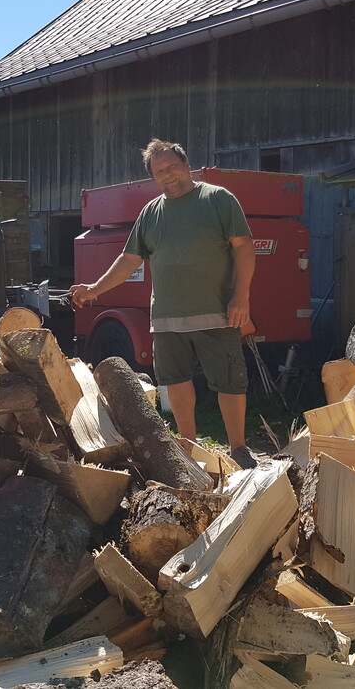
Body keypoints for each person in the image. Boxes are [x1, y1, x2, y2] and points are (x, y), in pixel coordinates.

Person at [69, 139, 258, 468]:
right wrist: (94, 289)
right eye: (160, 171)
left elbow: (244, 247)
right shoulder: (150, 213)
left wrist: (241, 296)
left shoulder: (218, 199)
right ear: (153, 177)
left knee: (229, 381)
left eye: (172, 167)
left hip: (218, 312)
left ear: (187, 166)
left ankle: (239, 448)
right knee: (176, 382)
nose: (167, 174)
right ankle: (189, 448)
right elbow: (129, 261)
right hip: (168, 318)